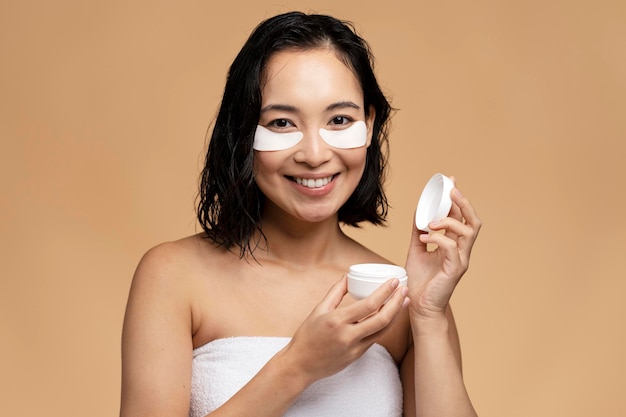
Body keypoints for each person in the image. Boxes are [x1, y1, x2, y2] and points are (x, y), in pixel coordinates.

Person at [120, 11, 481, 417]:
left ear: (369, 123)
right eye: (282, 123)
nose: (314, 155)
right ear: (243, 132)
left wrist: (429, 317)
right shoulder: (173, 276)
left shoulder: (400, 299)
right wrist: (299, 366)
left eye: (340, 120)